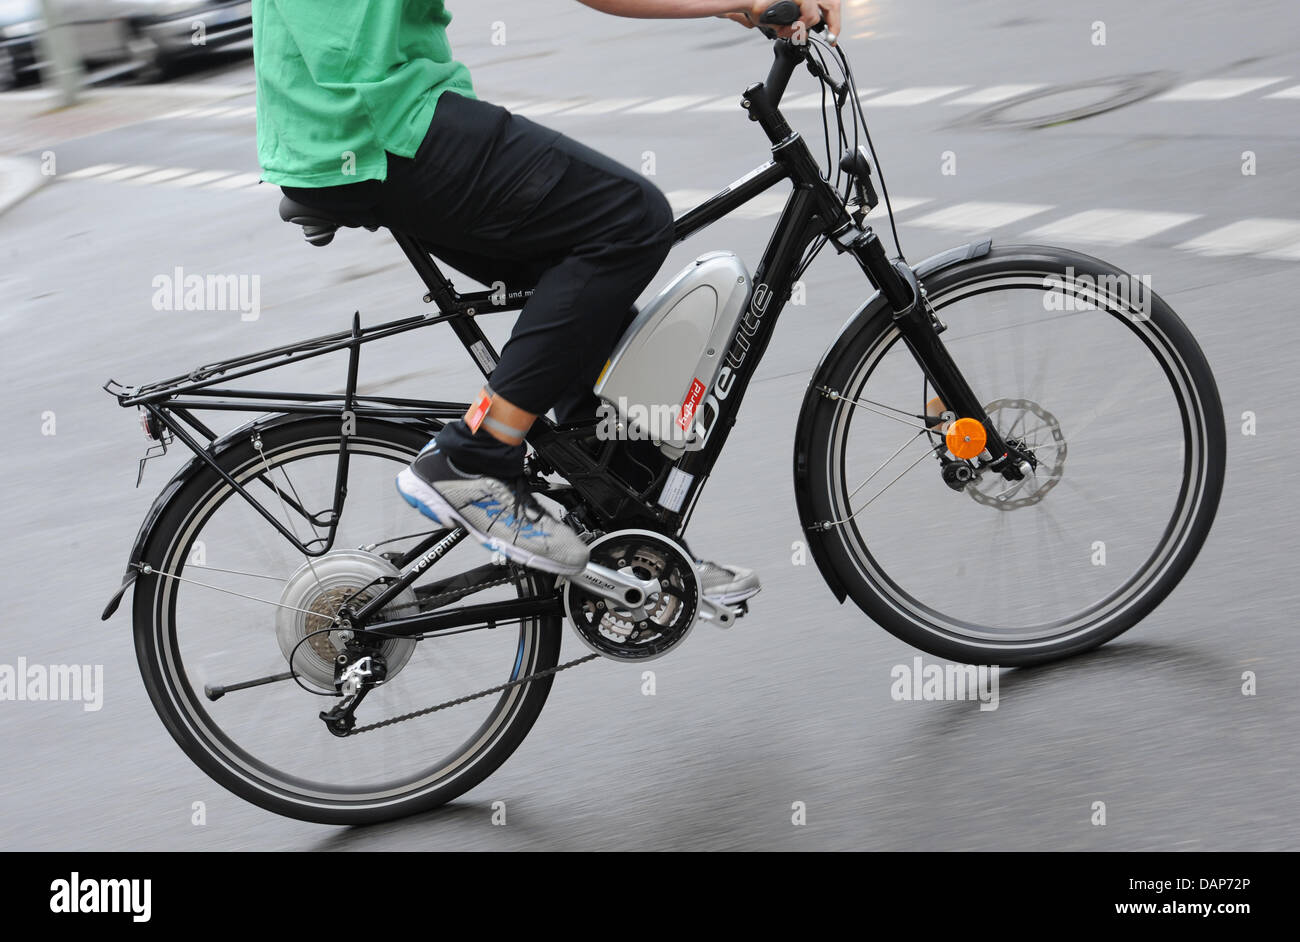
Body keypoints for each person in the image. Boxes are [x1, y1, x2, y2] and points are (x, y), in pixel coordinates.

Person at [253, 0, 840, 601]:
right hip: (376, 122)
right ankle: (474, 456)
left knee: (583, 282)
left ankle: (630, 539)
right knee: (629, 220)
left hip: (341, 123)